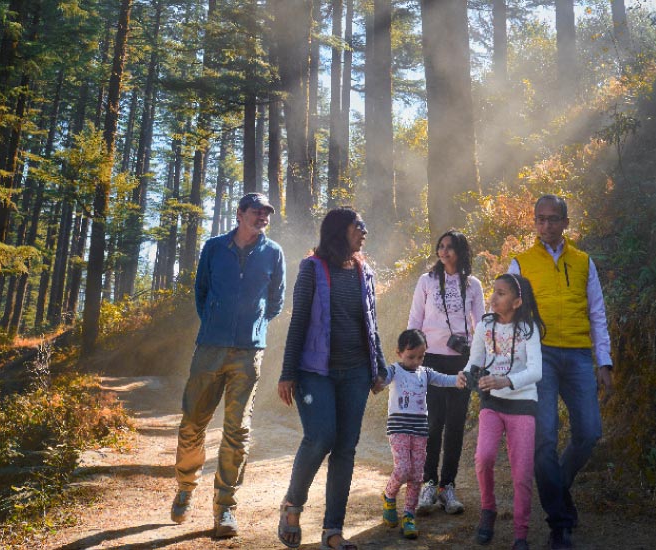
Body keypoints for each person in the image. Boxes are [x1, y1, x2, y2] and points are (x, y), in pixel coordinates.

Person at [170, 193, 285, 538]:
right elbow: (201, 292)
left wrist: (254, 327)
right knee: (192, 423)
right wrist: (215, 323)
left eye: (266, 213)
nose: (263, 217)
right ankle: (186, 486)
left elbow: (276, 300)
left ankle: (225, 507)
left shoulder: (273, 252)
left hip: (248, 354)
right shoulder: (214, 248)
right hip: (209, 349)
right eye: (257, 211)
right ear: (239, 214)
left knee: (237, 430)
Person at [276, 208, 389, 550]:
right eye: (359, 226)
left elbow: (371, 323)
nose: (364, 232)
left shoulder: (364, 271)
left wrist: (379, 366)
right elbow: (298, 321)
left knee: (345, 448)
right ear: (340, 230)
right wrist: (288, 372)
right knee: (320, 437)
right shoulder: (312, 268)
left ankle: (333, 530)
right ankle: (292, 504)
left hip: (356, 371)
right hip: (315, 372)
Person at [507, 194, 614, 550]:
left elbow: (597, 312)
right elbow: (507, 315)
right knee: (545, 440)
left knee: (590, 432)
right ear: (534, 222)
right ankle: (559, 523)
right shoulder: (520, 264)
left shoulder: (583, 261)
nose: (547, 225)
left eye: (554, 219)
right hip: (540, 358)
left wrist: (604, 361)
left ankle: (558, 486)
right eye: (540, 219)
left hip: (579, 356)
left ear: (566, 222)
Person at [459, 274, 545, 550]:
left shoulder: (528, 329)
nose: (493, 297)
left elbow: (536, 371)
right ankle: (488, 510)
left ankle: (521, 534)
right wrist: (464, 374)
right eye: (493, 291)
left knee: (522, 473)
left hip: (523, 404)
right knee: (484, 457)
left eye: (501, 293)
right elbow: (474, 361)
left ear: (517, 302)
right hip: (492, 403)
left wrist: (505, 381)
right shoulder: (485, 325)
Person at [406, 230, 484, 516]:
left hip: (461, 362)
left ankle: (447, 486)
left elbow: (481, 326)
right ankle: (429, 483)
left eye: (450, 247)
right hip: (431, 360)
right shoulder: (426, 281)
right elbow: (415, 319)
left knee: (455, 424)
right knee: (433, 422)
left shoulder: (473, 284)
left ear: (461, 251)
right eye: (441, 246)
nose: (444, 251)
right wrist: (410, 357)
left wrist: (477, 361)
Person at [378, 329, 462, 540]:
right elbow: (380, 380)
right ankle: (389, 496)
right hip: (398, 429)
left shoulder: (425, 373)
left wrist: (459, 379)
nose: (416, 361)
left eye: (421, 357)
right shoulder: (394, 370)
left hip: (419, 430)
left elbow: (444, 379)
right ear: (399, 353)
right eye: (411, 356)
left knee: (417, 475)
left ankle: (409, 515)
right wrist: (374, 380)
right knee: (403, 468)